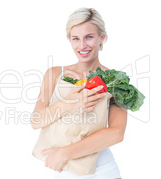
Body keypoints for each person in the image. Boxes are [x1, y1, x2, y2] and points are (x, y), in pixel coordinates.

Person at [30, 8, 126, 179]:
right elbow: (36, 120)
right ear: (70, 40)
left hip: (101, 171)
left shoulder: (115, 81)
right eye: (76, 38)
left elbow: (116, 133)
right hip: (59, 171)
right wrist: (71, 104)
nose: (82, 46)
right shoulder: (54, 74)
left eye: (89, 37)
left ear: (101, 38)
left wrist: (64, 154)